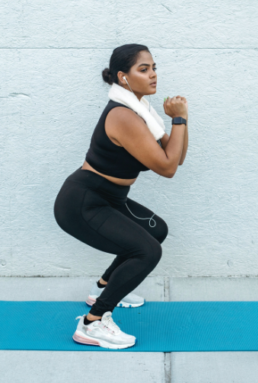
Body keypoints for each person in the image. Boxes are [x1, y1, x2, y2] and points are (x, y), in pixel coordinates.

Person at [56, 43, 193, 349]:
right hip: (82, 201)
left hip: (109, 197)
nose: (153, 75)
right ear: (123, 77)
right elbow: (168, 168)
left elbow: (176, 156)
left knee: (156, 231)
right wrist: (180, 119)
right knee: (147, 252)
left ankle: (105, 286)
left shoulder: (141, 109)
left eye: (154, 67)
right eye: (143, 70)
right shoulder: (124, 116)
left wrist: (180, 120)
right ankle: (93, 323)